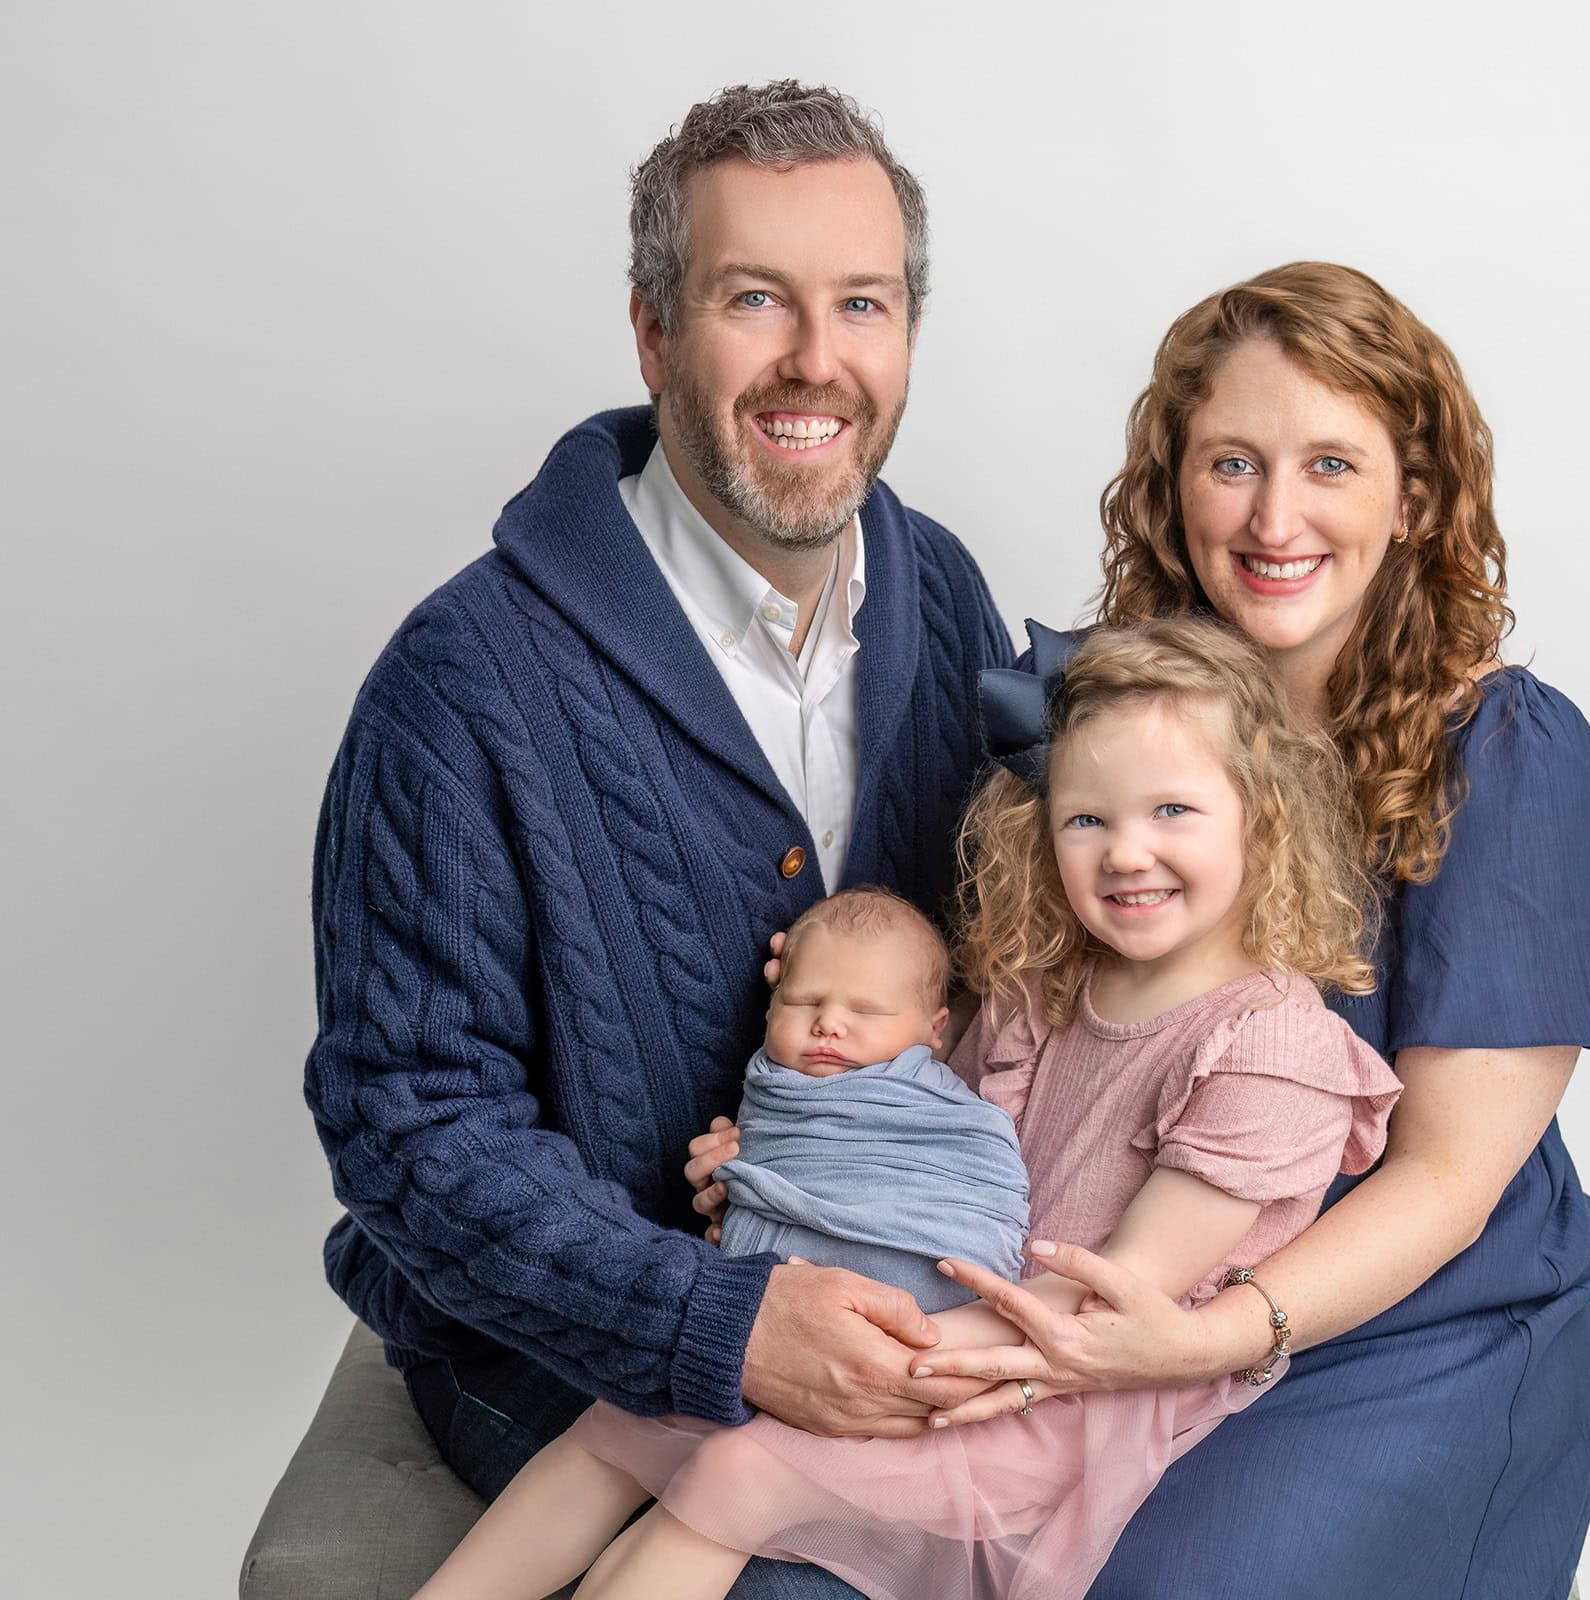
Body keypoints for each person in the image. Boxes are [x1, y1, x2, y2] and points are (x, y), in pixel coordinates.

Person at [735, 262, 1590, 1599]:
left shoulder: (1504, 752)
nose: (1277, 517)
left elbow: (1452, 1181)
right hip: (1103, 1291)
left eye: (1332, 463)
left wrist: (1213, 1332)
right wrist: (821, 1112)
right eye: (1232, 462)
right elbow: (1017, 1037)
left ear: (1419, 497)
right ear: (1173, 484)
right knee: (786, 1555)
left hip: (1390, 1332)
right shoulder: (1094, 715)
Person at [302, 78, 1014, 1543]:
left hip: (897, 1293)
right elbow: (411, 1129)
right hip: (570, 1347)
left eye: (865, 305)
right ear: (652, 327)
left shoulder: (942, 598)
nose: (818, 362)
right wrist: (723, 1319)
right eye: (756, 299)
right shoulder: (460, 689)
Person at [410, 618, 1403, 1600]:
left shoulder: (1271, 1048)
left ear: (1260, 816)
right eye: (1086, 819)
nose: (1124, 854)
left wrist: (873, 1350)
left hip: (1054, 1383)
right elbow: (914, 1143)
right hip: (936, 1317)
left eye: (1172, 812)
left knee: (734, 1470)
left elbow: (1112, 1295)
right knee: (622, 1418)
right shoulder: (1041, 985)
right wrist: (777, 1164)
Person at [710, 886, 1031, 1314]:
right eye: (802, 1002)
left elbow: (989, 1184)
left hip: (934, 1282)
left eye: (865, 1011)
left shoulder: (951, 1110)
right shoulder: (770, 1086)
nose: (828, 1023)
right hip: (783, 1297)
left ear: (933, 1029)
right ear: (771, 1006)